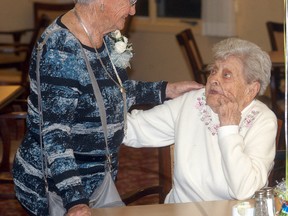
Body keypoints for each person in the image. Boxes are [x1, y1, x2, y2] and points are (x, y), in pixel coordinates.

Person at [12, 0, 203, 215]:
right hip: (59, 188)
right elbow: (55, 136)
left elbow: (114, 92)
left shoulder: (105, 35)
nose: (133, 10)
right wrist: (75, 200)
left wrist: (166, 90)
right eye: (129, 2)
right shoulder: (61, 49)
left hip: (96, 180)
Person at [124, 38, 277, 203]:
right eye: (213, 71)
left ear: (251, 90)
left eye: (226, 75)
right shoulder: (192, 102)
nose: (213, 80)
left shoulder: (263, 121)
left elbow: (244, 190)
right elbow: (131, 129)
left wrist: (229, 129)